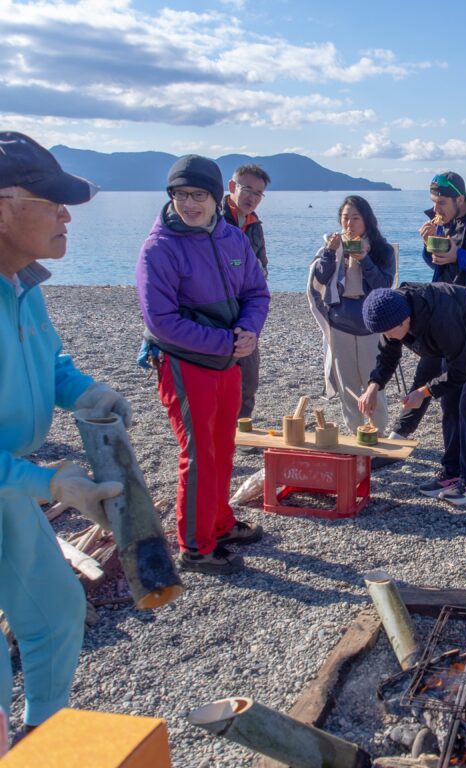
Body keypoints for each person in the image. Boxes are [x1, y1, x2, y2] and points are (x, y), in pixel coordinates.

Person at [0, 132, 130, 734]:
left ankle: (45, 739)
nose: (66, 216)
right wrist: (51, 483)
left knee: (55, 612)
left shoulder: (22, 284)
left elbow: (50, 363)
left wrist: (87, 392)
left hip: (11, 485)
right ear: (3, 207)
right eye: (52, 203)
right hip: (17, 478)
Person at [136, 154, 270, 575]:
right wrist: (227, 342)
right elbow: (161, 321)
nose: (189, 203)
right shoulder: (159, 248)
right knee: (198, 454)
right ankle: (195, 547)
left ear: (215, 197)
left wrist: (249, 330)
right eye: (180, 194)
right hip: (185, 363)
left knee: (223, 445)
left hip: (228, 360)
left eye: (198, 195)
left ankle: (220, 523)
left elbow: (256, 292)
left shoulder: (232, 238)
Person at [387, 172, 466, 440]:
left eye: (441, 203)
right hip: (442, 309)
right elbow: (438, 263)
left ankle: (463, 458)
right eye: (433, 202)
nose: (435, 210)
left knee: (464, 395)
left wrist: (460, 256)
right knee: (428, 371)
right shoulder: (442, 220)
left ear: (460, 199)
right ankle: (400, 433)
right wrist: (428, 246)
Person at [358, 283, 466, 506]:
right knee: (450, 405)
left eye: (389, 331)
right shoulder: (391, 316)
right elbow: (388, 356)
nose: (388, 336)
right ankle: (452, 473)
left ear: (405, 319)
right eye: (383, 332)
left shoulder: (441, 318)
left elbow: (460, 370)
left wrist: (425, 391)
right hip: (452, 344)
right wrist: (373, 386)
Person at [307, 195, 396, 432]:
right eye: (345, 218)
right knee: (347, 385)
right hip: (340, 322)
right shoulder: (334, 247)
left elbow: (384, 285)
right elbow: (320, 278)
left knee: (373, 384)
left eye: (355, 218)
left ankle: (378, 433)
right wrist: (329, 252)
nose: (349, 224)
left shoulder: (382, 250)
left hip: (370, 324)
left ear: (367, 220)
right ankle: (355, 433)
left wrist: (365, 259)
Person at [223, 164, 270, 421]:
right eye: (247, 189)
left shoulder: (254, 225)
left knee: (249, 379)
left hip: (246, 311)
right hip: (218, 310)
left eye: (259, 193)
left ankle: (242, 430)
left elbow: (263, 266)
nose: (252, 198)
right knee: (220, 378)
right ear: (232, 187)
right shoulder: (213, 219)